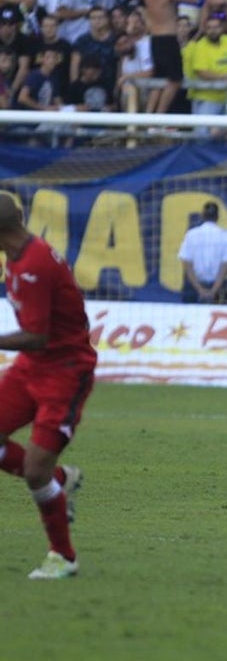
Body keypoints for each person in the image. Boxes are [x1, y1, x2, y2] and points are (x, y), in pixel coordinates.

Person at [0, 193, 95, 580]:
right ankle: (61, 481)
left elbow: (37, 336)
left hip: (64, 372)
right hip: (32, 368)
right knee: (41, 472)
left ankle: (63, 555)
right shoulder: (21, 254)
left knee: (35, 470)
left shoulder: (35, 264)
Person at [138, 0, 198, 114]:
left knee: (159, 80)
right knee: (175, 80)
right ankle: (159, 115)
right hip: (168, 38)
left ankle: (149, 116)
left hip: (155, 39)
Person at [178, 201, 227, 304]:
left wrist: (199, 289)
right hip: (218, 287)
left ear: (202, 215)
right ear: (217, 216)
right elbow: (225, 266)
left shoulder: (191, 234)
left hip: (194, 286)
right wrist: (214, 290)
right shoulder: (225, 236)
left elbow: (187, 264)